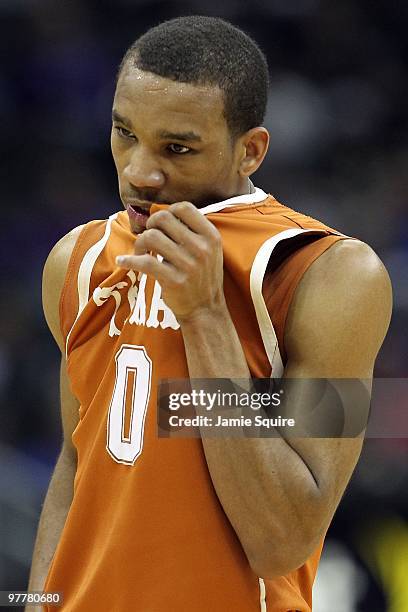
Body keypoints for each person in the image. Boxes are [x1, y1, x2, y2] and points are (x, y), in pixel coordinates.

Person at [27, 15, 392, 612]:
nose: (140, 172)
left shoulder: (329, 274)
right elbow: (75, 463)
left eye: (177, 148)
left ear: (250, 150)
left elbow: (284, 539)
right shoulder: (76, 260)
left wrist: (205, 318)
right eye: (125, 133)